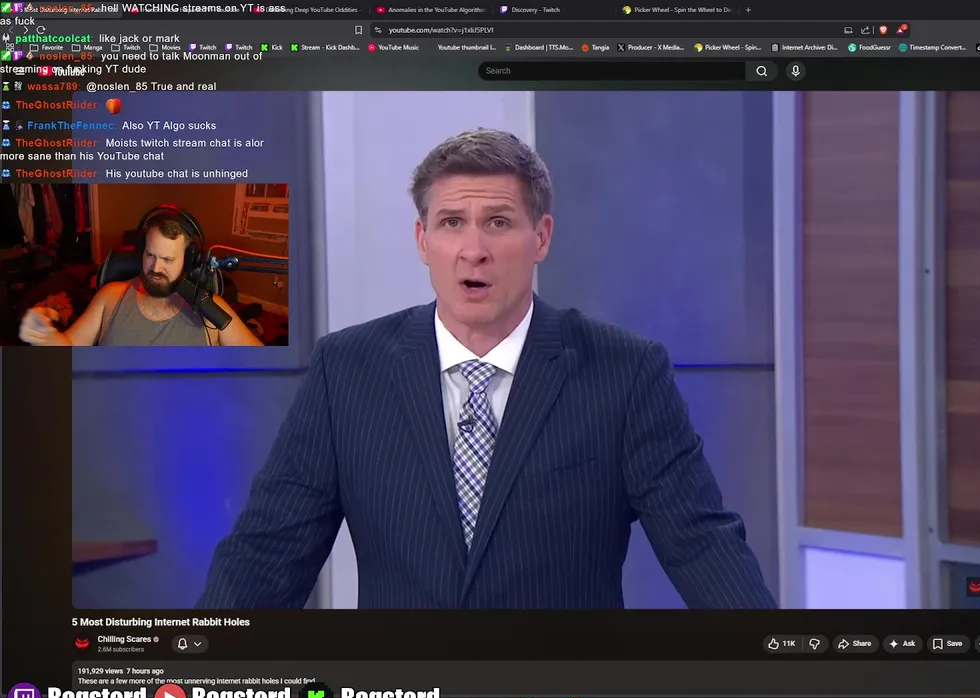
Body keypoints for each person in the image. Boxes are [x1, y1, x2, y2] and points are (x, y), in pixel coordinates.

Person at [198, 129, 777, 610]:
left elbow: (703, 546)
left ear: (541, 237)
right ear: (423, 240)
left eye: (498, 222)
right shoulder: (346, 371)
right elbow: (266, 554)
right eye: (452, 222)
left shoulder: (625, 372)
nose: (473, 249)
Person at [18, 216, 262, 346]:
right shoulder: (111, 295)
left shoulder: (210, 309)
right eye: (150, 255)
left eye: (168, 259)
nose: (155, 268)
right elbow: (69, 345)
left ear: (188, 261)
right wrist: (45, 336)